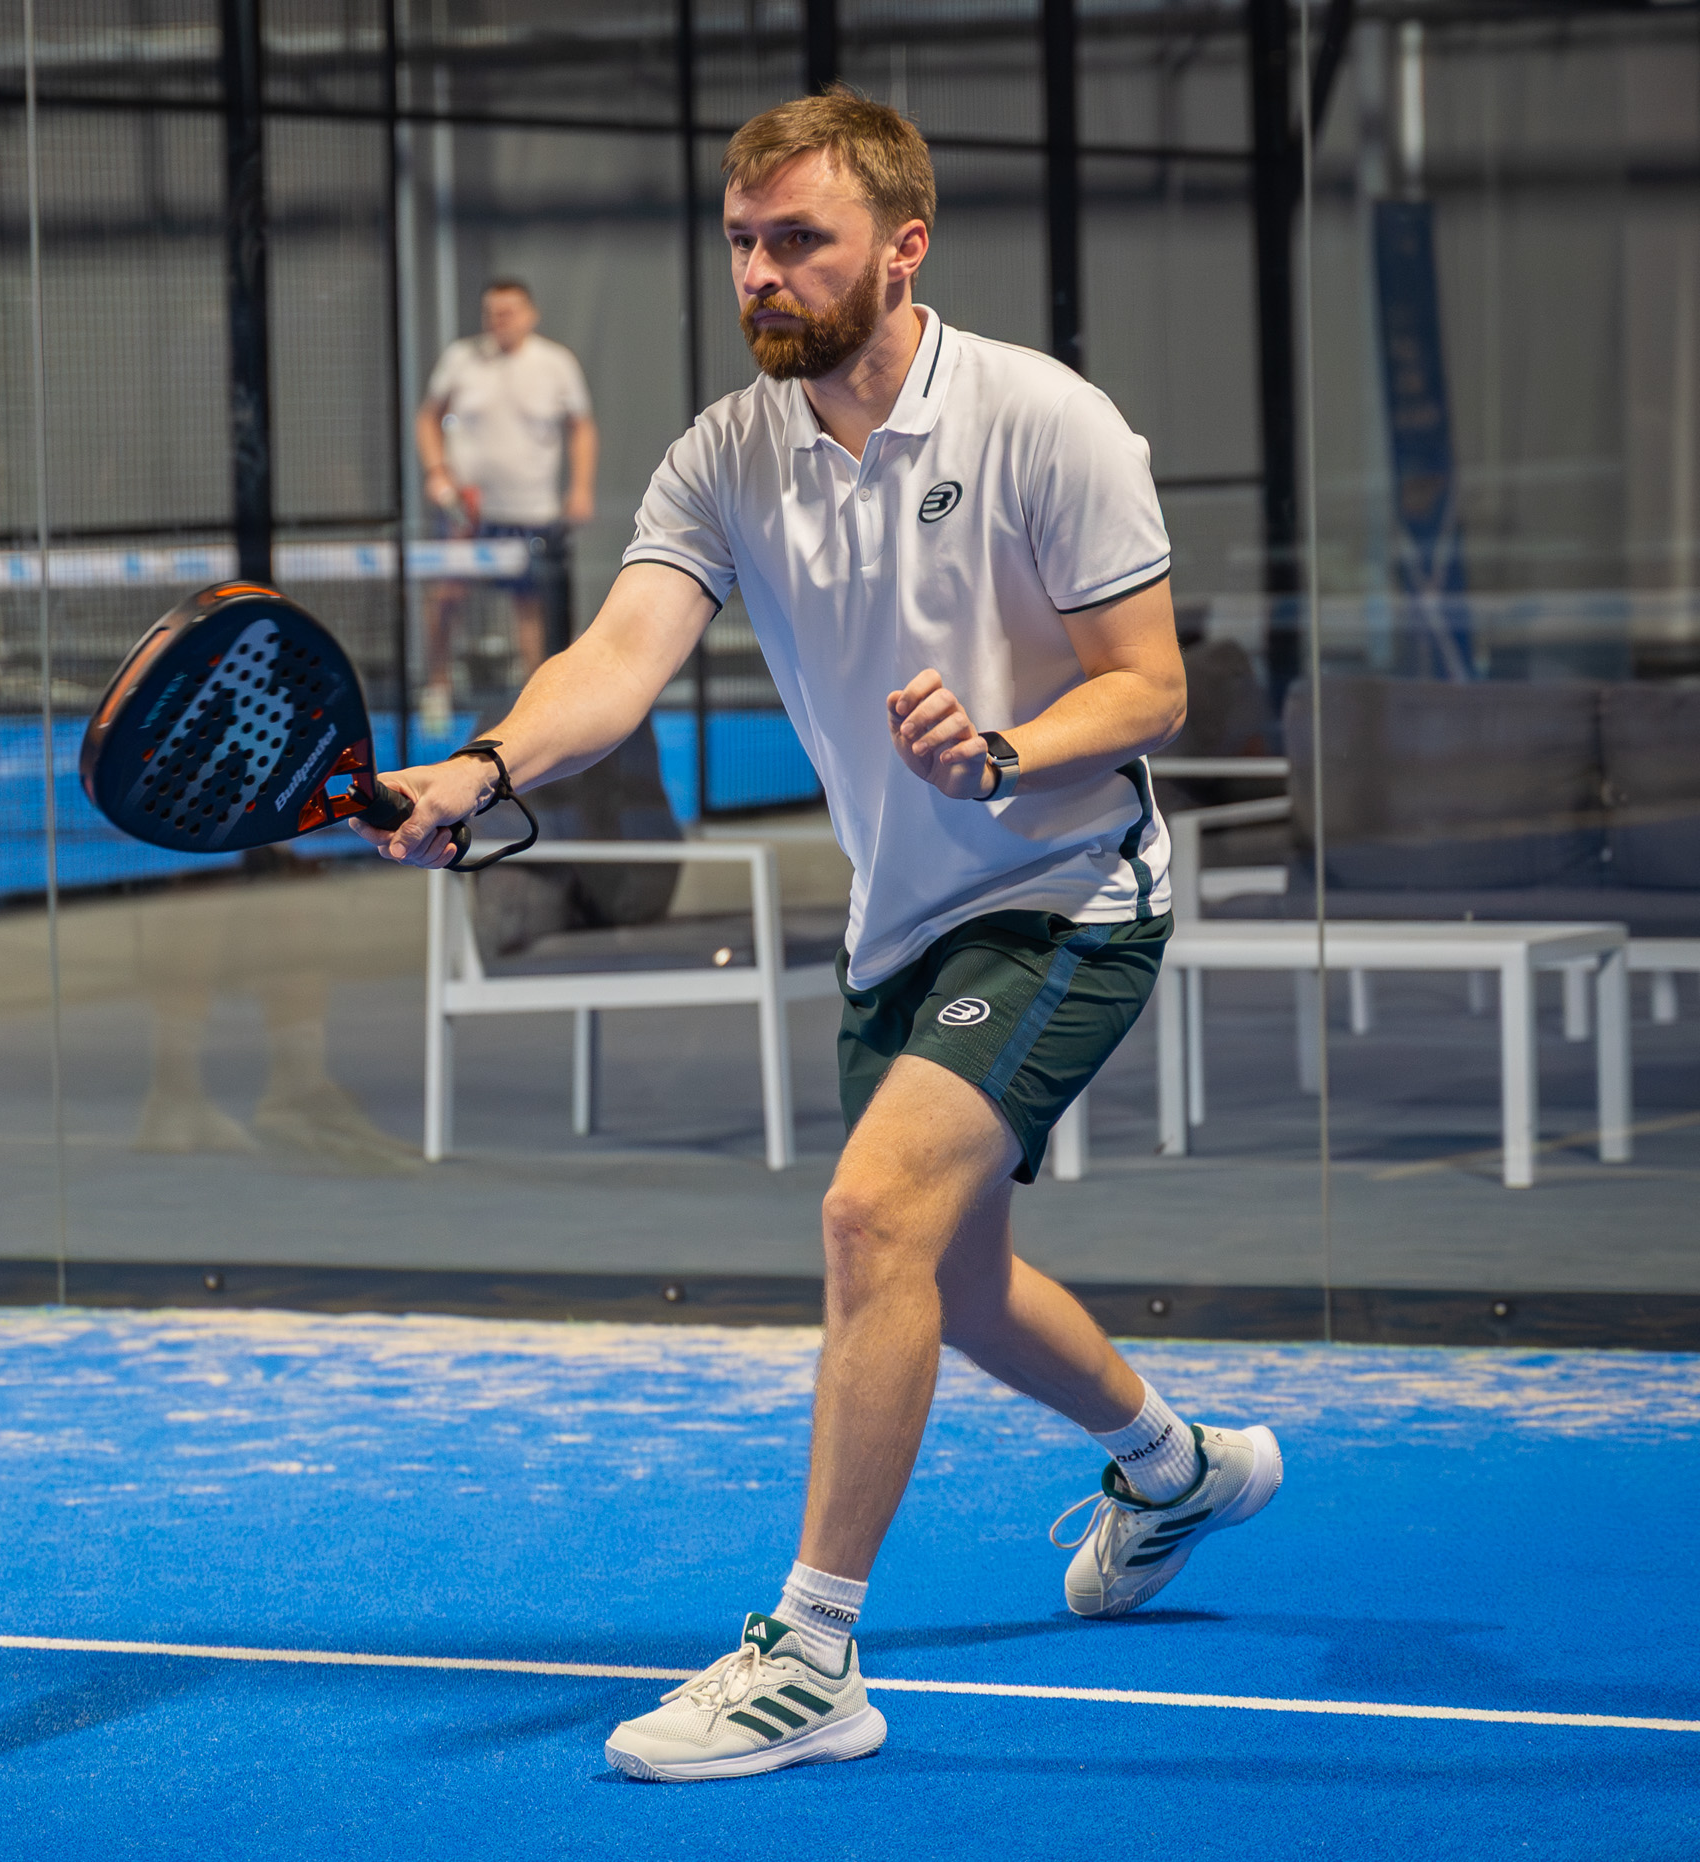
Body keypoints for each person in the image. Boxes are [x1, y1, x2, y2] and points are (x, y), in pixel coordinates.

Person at [358, 88, 1282, 1783]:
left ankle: (813, 1650)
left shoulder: (1044, 421)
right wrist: (482, 764)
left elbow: (1146, 682)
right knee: (964, 1281)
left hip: (1068, 889)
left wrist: (1007, 745)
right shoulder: (726, 452)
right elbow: (620, 659)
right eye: (743, 244)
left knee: (870, 1217)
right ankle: (1177, 1468)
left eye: (802, 241)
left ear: (904, 246)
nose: (765, 275)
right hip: (902, 913)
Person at [414, 279, 597, 732]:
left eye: (509, 311)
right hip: (466, 513)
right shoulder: (461, 359)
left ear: (530, 314)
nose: (501, 320)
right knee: (445, 598)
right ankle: (436, 690)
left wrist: (581, 488)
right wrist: (437, 471)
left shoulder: (556, 363)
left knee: (531, 607)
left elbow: (582, 427)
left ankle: (538, 703)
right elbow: (428, 417)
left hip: (531, 512)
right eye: (492, 312)